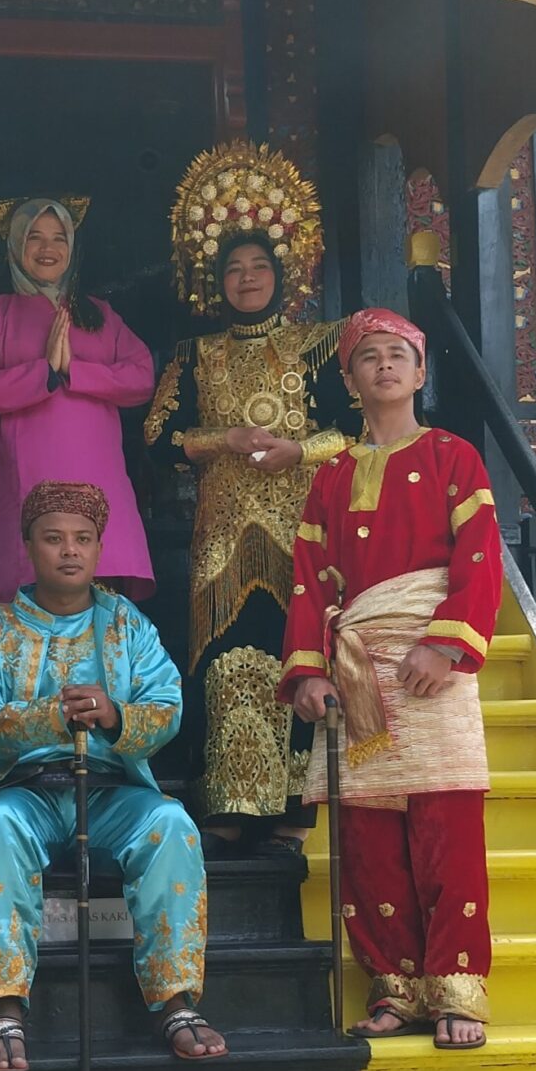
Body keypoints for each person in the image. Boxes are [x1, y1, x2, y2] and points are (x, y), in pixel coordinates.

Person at [280, 308, 503, 1050]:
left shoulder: (452, 456)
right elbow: (310, 578)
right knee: (368, 836)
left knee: (445, 827)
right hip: (356, 662)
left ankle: (457, 987)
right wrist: (308, 670)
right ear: (349, 379)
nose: (384, 365)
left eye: (397, 354)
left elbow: (479, 556)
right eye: (368, 356)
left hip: (429, 659)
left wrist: (445, 645)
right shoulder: (330, 477)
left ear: (420, 371)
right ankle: (394, 987)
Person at [0, 480, 224, 1071]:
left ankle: (176, 1001)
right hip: (24, 789)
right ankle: (2, 1007)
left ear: (100, 548)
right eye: (53, 538)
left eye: (82, 539)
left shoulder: (128, 625)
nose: (69, 550)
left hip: (110, 790)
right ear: (29, 546)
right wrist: (51, 716)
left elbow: (167, 707)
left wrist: (115, 714)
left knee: (171, 823)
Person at [145, 146, 349, 841]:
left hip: (304, 527)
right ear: (217, 281)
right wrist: (222, 440)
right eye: (234, 269)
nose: (247, 277)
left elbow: (355, 432)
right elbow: (157, 436)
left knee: (301, 651)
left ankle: (296, 807)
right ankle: (231, 803)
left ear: (281, 273)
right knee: (225, 655)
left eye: (259, 265)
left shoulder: (320, 345)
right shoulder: (193, 355)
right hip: (223, 532)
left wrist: (301, 451)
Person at [0, 196, 156, 609]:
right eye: (35, 237)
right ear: (15, 245)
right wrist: (43, 372)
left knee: (101, 606)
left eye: (58, 238)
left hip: (99, 480)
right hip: (27, 480)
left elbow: (141, 378)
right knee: (31, 596)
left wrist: (75, 371)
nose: (47, 248)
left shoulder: (98, 314)